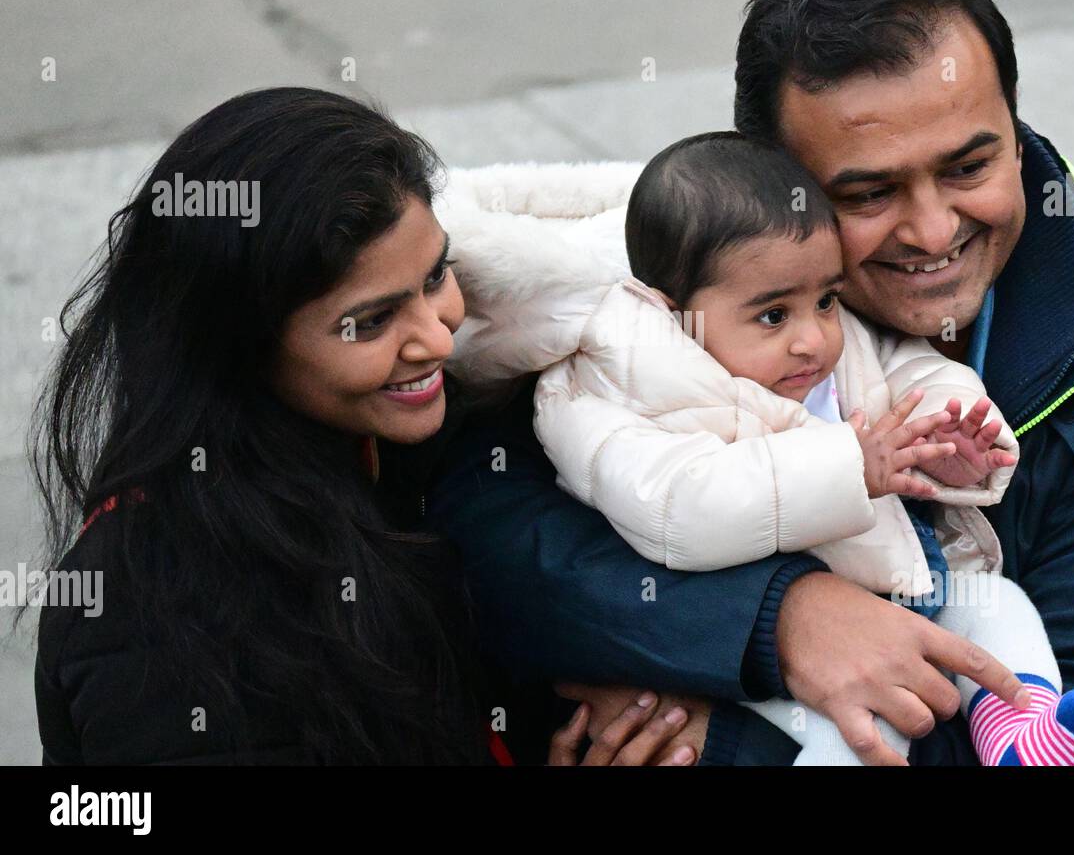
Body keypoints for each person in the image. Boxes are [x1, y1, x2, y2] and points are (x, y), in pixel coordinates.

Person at [427, 0, 1074, 765]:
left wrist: (725, 744)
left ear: (1015, 140)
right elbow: (476, 531)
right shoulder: (655, 279)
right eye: (869, 192)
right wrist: (781, 622)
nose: (932, 230)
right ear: (779, 184)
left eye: (967, 167)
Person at [27, 86, 699, 766]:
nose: (436, 339)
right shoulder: (150, 626)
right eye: (371, 323)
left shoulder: (400, 442)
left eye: (436, 277)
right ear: (240, 347)